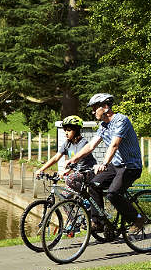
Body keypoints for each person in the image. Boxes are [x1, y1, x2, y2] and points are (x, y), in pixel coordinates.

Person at [66, 93, 144, 233]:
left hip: (130, 166)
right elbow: (91, 146)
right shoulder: (103, 125)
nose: (92, 111)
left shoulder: (121, 120)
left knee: (113, 194)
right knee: (93, 185)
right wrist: (73, 159)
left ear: (106, 107)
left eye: (95, 107)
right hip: (115, 166)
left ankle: (138, 218)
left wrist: (104, 163)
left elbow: (114, 145)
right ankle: (98, 222)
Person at [36, 115, 97, 192]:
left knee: (70, 180)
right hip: (77, 174)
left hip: (88, 172)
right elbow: (56, 158)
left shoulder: (83, 143)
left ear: (76, 131)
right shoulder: (67, 144)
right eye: (65, 130)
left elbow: (77, 159)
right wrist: (41, 169)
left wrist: (67, 170)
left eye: (68, 130)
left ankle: (84, 196)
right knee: (65, 197)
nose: (66, 133)